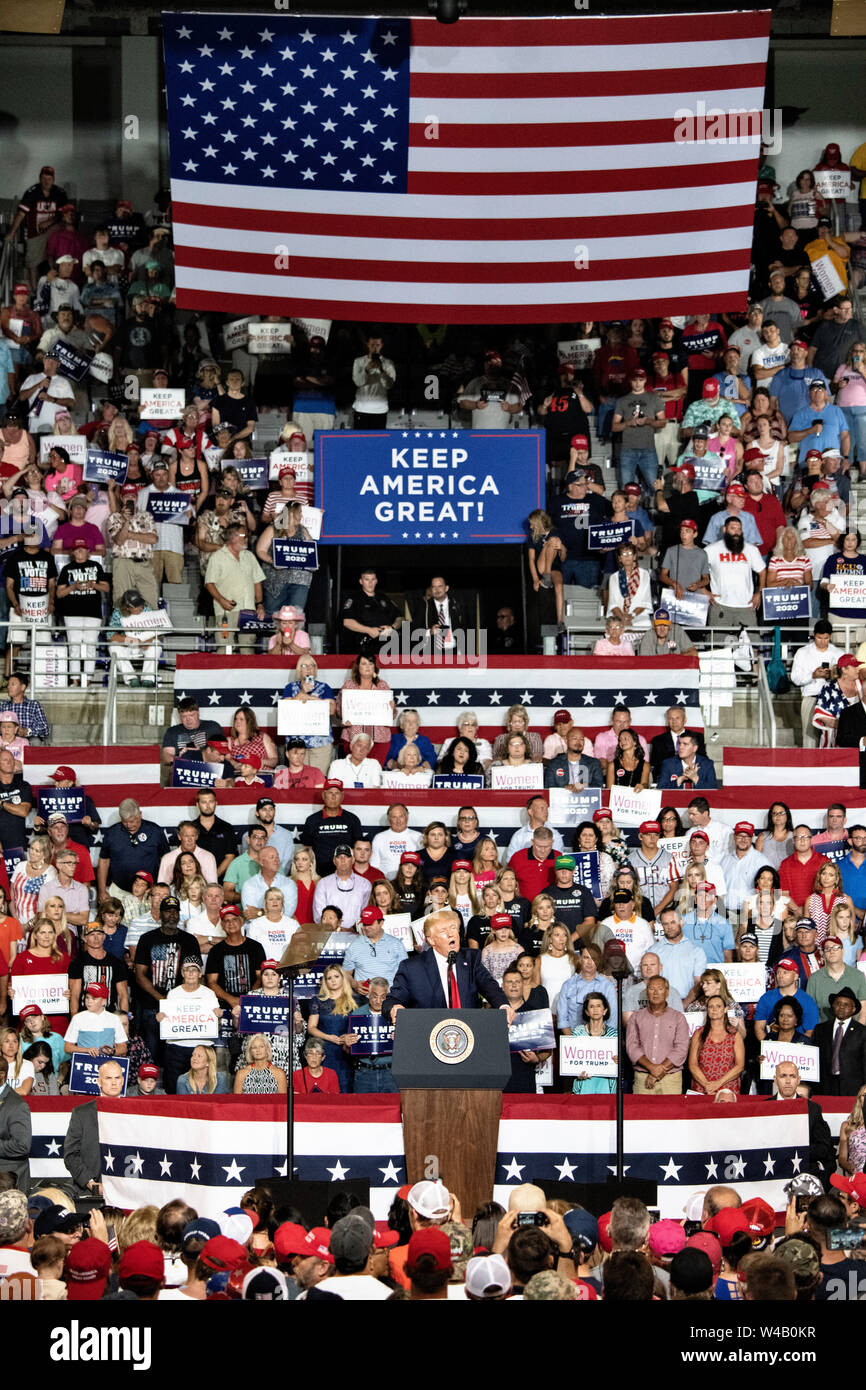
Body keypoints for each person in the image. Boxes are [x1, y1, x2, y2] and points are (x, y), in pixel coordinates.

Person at [384, 909, 511, 1018]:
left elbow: (489, 986)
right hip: (429, 1035)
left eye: (453, 928)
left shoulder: (471, 958)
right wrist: (394, 1008)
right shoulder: (412, 968)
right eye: (443, 931)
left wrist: (503, 1005)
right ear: (431, 940)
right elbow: (393, 1000)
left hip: (469, 1032)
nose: (451, 934)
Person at [62, 1058, 126, 1205]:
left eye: (117, 1078)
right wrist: (91, 1183)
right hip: (89, 1192)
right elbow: (70, 1155)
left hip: (125, 1193)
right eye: (108, 1078)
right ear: (99, 1082)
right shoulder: (81, 1113)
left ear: (123, 1080)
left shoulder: (134, 1113)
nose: (114, 1082)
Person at [625, 976, 690, 1093]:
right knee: (641, 1111)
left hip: (671, 1078)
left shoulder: (678, 1017)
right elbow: (632, 1047)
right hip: (643, 1078)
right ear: (646, 992)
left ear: (667, 992)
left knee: (671, 1111)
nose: (655, 993)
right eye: (651, 989)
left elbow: (681, 1049)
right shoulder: (636, 1017)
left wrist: (658, 1072)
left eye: (660, 988)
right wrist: (652, 1068)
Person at [306, 964, 359, 1093]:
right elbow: (311, 1028)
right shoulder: (317, 1001)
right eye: (329, 978)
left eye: (336, 976)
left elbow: (361, 1027)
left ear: (343, 978)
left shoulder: (356, 1000)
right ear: (325, 981)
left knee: (345, 1089)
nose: (333, 980)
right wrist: (328, 1037)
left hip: (347, 1051)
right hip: (325, 1051)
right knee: (324, 1090)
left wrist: (349, 1038)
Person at [688, 995, 745, 1095]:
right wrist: (707, 1085)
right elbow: (693, 1064)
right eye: (711, 1006)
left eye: (718, 1006)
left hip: (727, 1090)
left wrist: (717, 1084)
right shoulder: (699, 1034)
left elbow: (739, 1066)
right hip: (702, 1088)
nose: (714, 1009)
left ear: (725, 1009)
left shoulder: (734, 1034)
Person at [338, 569, 402, 659]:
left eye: (372, 579)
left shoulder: (383, 597)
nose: (370, 583)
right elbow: (347, 622)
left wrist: (392, 627)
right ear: (361, 581)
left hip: (389, 647)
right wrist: (369, 630)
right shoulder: (354, 599)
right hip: (365, 647)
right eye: (367, 579)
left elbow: (400, 617)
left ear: (376, 581)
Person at [570, 991, 618, 1096]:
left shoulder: (614, 1034)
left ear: (605, 1010)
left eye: (598, 1006)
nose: (595, 1009)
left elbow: (619, 1063)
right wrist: (576, 1072)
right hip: (584, 1082)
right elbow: (571, 1060)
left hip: (606, 1083)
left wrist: (617, 1060)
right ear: (586, 1011)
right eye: (591, 1006)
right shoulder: (578, 1032)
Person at [837, 1085, 866, 1176]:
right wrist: (850, 1167)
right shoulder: (847, 1126)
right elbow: (842, 1158)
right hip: (857, 1175)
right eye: (864, 1095)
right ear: (859, 1099)